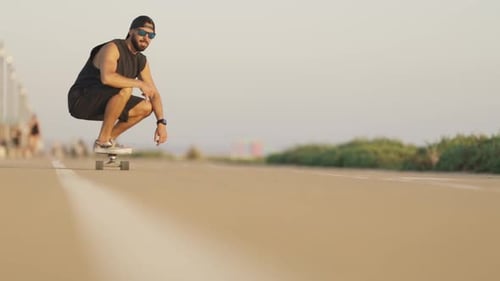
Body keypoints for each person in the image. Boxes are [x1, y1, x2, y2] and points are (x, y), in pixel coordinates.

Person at [67, 15, 168, 153]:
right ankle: (103, 141)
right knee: (126, 88)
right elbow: (107, 78)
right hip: (82, 99)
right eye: (142, 33)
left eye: (151, 35)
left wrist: (161, 123)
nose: (146, 38)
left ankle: (107, 141)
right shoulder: (113, 48)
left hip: (108, 102)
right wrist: (139, 83)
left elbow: (153, 93)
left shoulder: (141, 61)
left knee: (146, 107)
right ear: (131, 31)